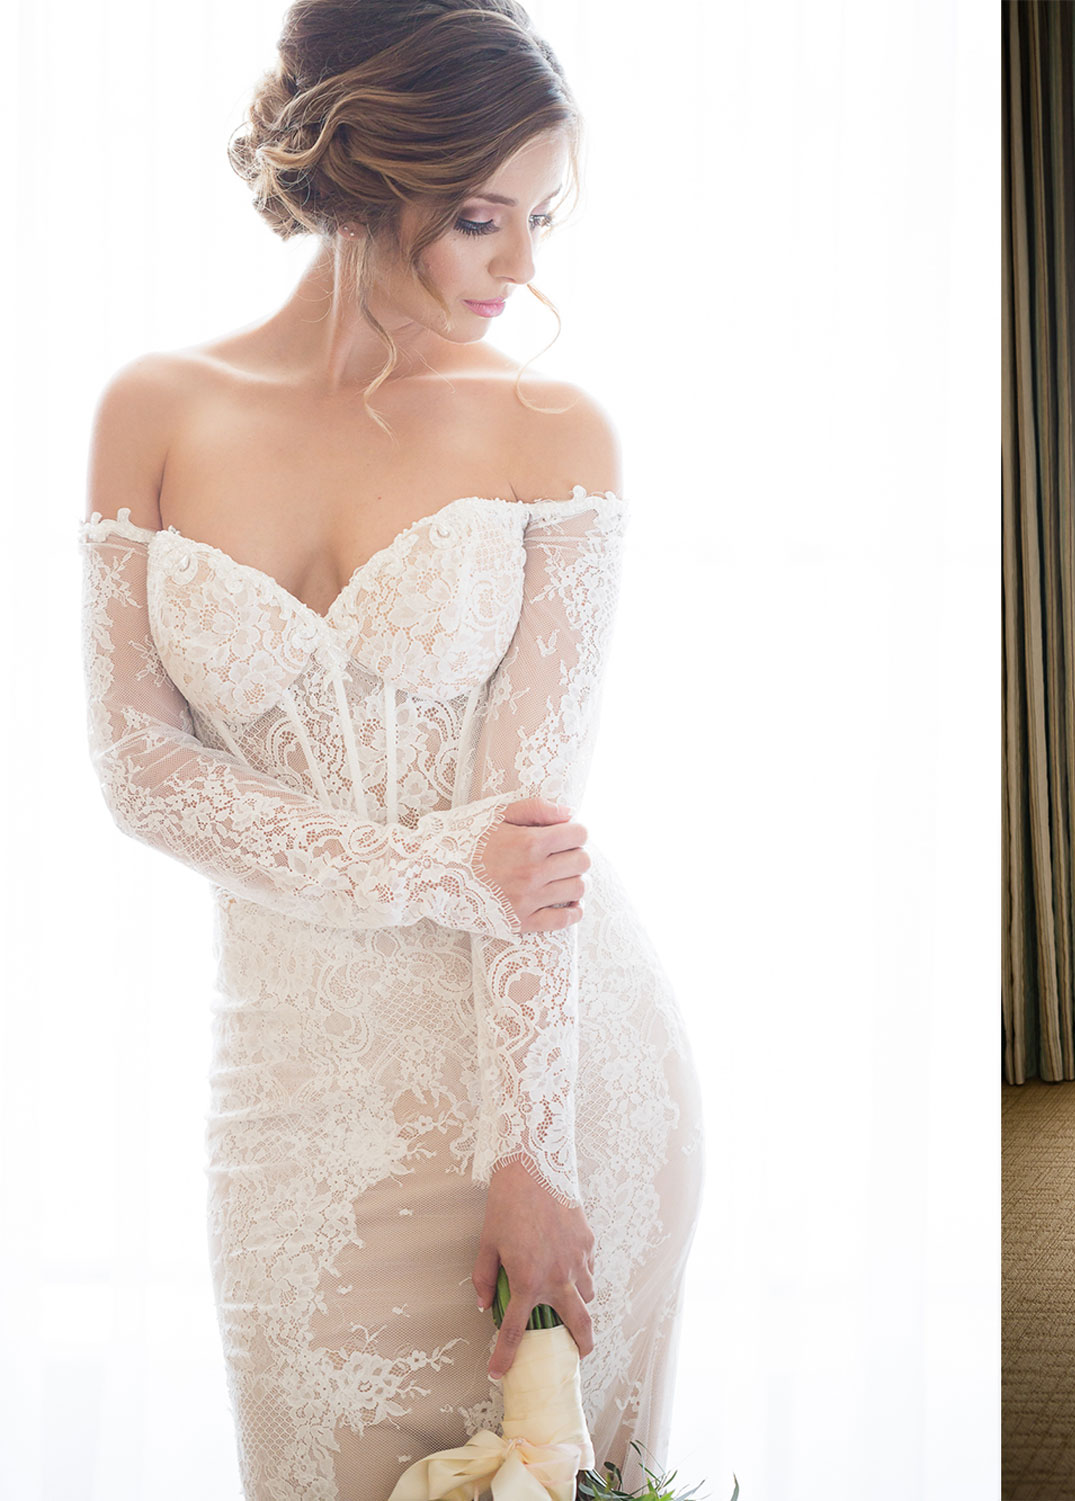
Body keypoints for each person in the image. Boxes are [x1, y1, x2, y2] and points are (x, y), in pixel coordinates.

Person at [75, 1, 702, 1492]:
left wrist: (532, 1159)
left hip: (540, 1083)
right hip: (285, 1092)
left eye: (543, 220)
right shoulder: (154, 409)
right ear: (367, 177)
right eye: (485, 220)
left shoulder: (556, 430)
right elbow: (137, 771)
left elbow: (534, 844)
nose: (525, 270)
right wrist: (433, 862)